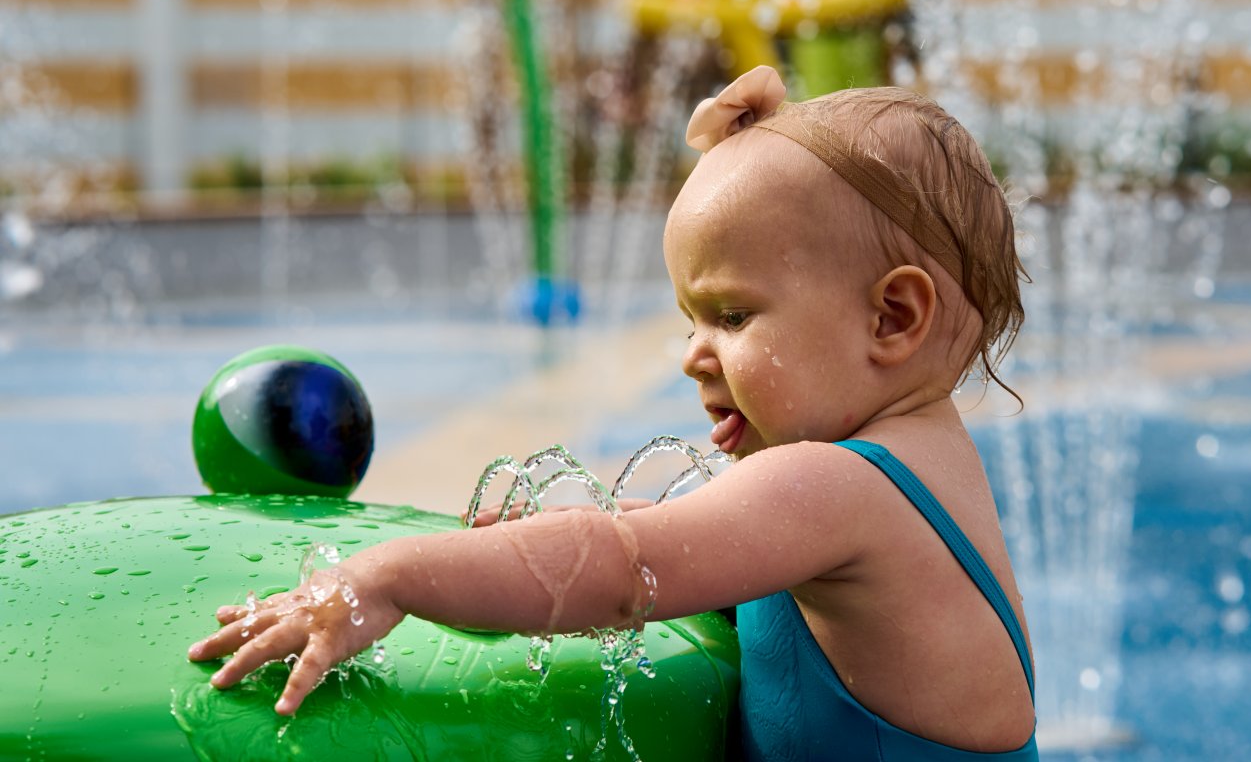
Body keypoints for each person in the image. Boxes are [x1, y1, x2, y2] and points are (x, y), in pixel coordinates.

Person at [188, 65, 1037, 760]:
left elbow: (625, 570)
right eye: (689, 319)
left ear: (892, 318)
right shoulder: (920, 464)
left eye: (732, 316)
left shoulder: (839, 486)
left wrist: (389, 575)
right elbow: (690, 543)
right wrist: (566, 526)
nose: (692, 354)